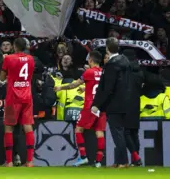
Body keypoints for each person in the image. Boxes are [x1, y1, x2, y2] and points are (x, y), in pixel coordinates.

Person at [55, 50, 106, 167]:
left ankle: (83, 157)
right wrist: (86, 88)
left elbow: (74, 84)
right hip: (101, 106)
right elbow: (101, 88)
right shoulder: (104, 72)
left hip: (89, 107)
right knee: (99, 132)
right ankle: (98, 161)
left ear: (91, 60)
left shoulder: (88, 72)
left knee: (78, 130)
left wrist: (61, 88)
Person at [92, 38, 131, 167]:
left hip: (114, 104)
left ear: (107, 48)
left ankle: (124, 161)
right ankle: (119, 161)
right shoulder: (125, 61)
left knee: (117, 133)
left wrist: (97, 104)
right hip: (125, 101)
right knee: (119, 132)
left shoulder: (111, 64)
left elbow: (107, 88)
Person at [0, 37, 35, 167]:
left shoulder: (9, 58)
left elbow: (2, 78)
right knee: (27, 126)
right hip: (27, 96)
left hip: (13, 97)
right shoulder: (31, 59)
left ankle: (9, 162)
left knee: (9, 127)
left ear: (14, 46)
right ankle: (30, 161)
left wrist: (5, 62)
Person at [123, 49, 144, 167]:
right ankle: (136, 160)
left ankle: (135, 156)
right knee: (134, 132)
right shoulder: (140, 72)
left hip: (125, 103)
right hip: (136, 103)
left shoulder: (125, 71)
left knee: (125, 132)